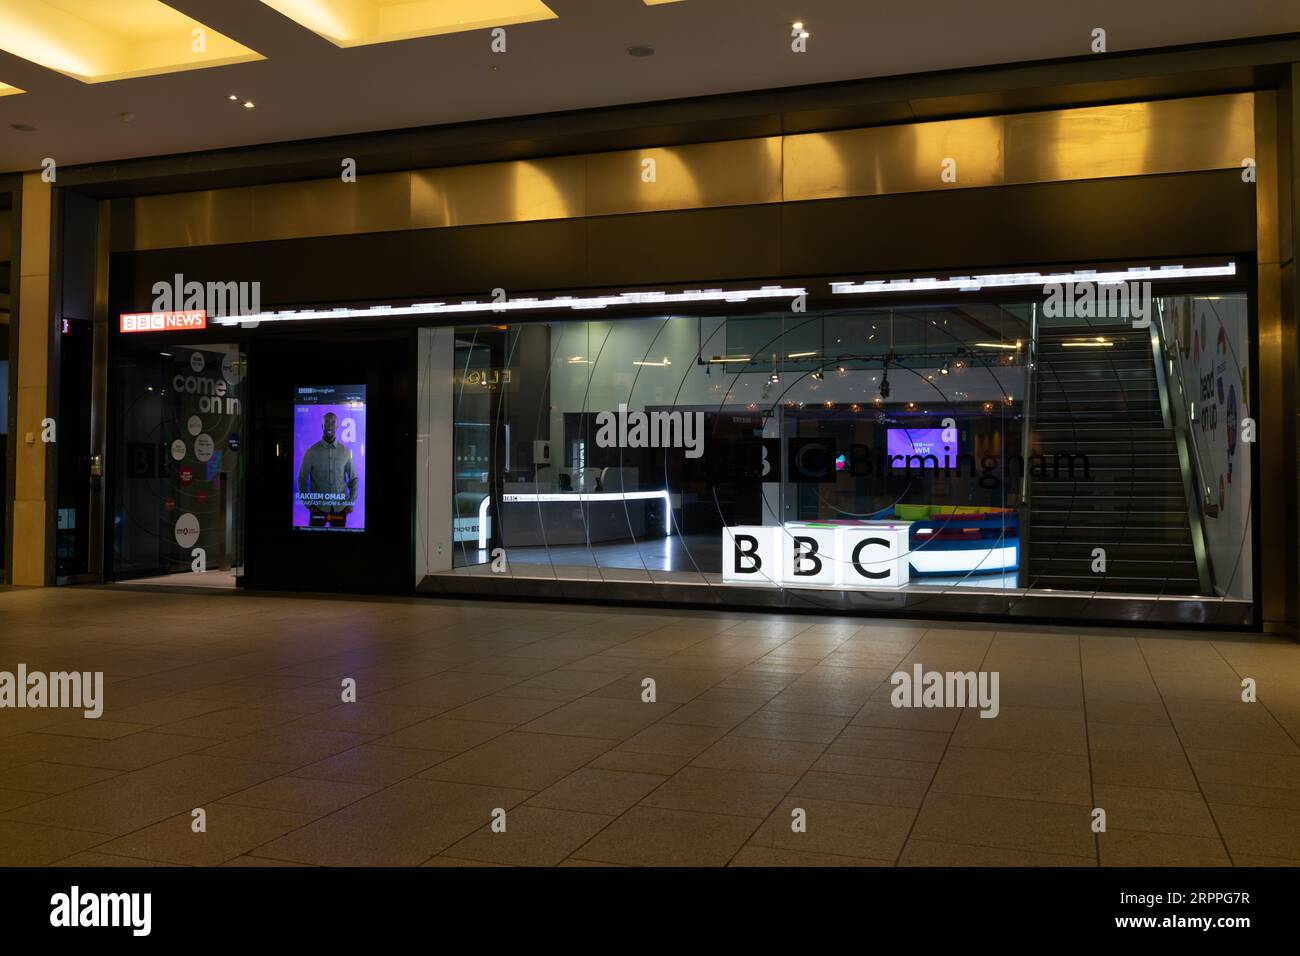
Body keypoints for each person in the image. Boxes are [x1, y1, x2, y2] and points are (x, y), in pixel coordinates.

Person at [297, 411, 358, 528]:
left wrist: (351, 502)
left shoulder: (345, 451)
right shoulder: (311, 452)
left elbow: (353, 478)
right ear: (322, 426)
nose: (330, 425)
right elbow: (301, 479)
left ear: (337, 426)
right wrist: (308, 504)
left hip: (340, 509)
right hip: (318, 509)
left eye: (333, 422)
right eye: (327, 422)